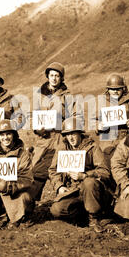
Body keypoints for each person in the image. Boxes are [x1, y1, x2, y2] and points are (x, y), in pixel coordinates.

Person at [49, 117, 115, 233]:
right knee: (56, 209)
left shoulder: (92, 147)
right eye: (67, 134)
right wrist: (59, 186)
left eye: (73, 133)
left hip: (93, 190)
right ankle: (82, 214)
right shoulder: (62, 149)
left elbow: (104, 171)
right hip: (73, 191)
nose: (71, 137)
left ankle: (94, 217)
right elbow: (53, 171)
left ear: (80, 133)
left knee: (89, 182)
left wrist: (84, 175)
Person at [31, 62, 79, 202]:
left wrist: (62, 124)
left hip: (60, 137)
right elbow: (33, 116)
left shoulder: (67, 96)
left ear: (61, 78)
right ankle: (30, 204)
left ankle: (65, 201)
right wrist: (37, 128)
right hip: (44, 140)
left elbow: (73, 117)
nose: (54, 78)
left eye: (57, 76)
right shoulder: (38, 95)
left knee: (62, 169)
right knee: (37, 170)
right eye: (51, 75)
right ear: (47, 76)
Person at [95, 73, 129, 165]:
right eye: (112, 89)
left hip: (125, 139)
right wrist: (98, 126)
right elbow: (94, 121)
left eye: (118, 89)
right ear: (108, 89)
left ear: (123, 89)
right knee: (108, 166)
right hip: (107, 141)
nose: (115, 91)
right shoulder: (102, 102)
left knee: (126, 165)